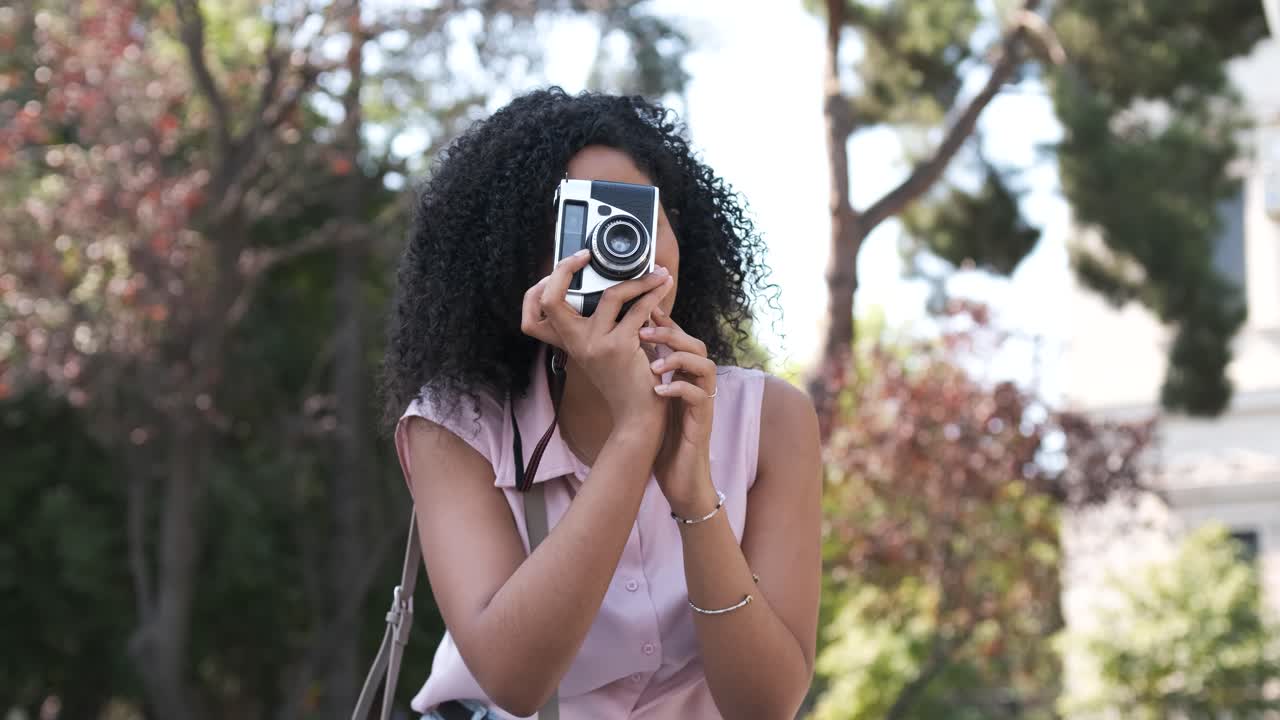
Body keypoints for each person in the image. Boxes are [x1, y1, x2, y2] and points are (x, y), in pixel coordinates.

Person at [381, 88, 821, 720]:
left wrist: (695, 496)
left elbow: (766, 704)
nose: (621, 248)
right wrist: (636, 430)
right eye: (583, 221)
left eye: (639, 216)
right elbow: (513, 680)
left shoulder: (771, 420)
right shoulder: (456, 426)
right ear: (519, 260)